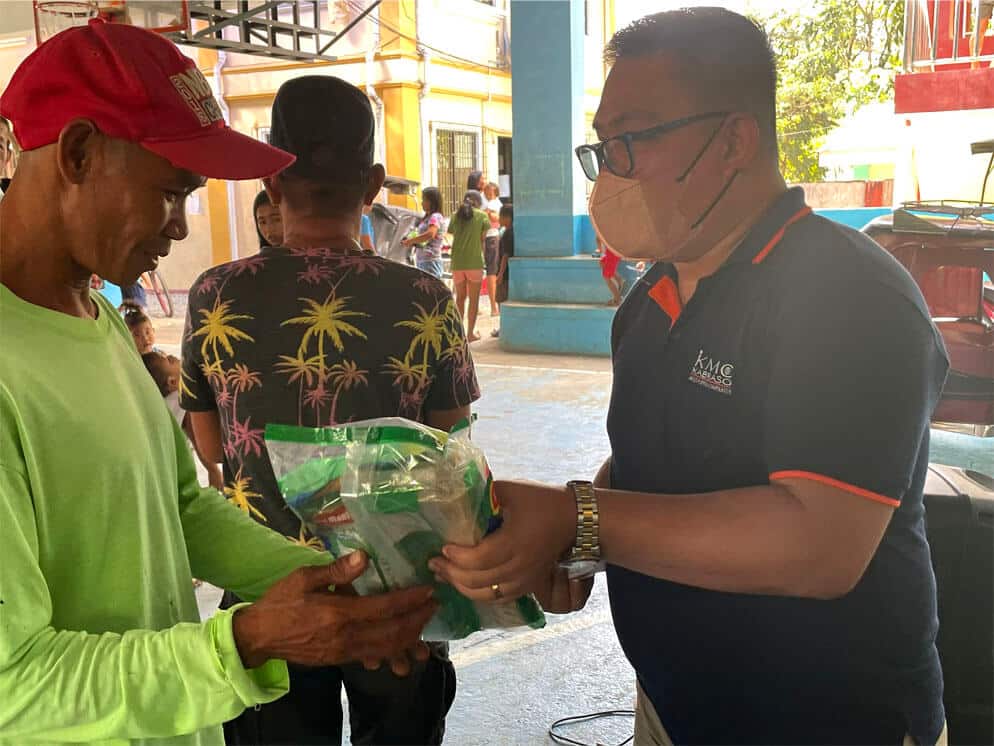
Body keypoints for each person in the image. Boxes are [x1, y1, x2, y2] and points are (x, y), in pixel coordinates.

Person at [430, 9, 949, 746]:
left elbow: (820, 542)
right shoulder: (649, 301)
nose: (611, 170)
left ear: (733, 139)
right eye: (603, 146)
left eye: (631, 142)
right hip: (673, 705)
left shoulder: (849, 294)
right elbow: (650, 457)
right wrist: (571, 546)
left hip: (828, 717)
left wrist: (582, 518)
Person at [0, 21, 437, 745]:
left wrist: (348, 584)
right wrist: (245, 643)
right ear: (79, 153)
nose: (179, 227)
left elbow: (181, 508)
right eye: (171, 194)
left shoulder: (94, 314)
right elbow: (14, 684)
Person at [181, 76, 480, 746]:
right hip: (395, 595)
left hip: (266, 592)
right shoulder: (423, 298)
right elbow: (451, 454)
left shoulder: (215, 294)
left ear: (271, 176)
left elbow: (208, 441)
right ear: (373, 184)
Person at [142, 349, 225, 490]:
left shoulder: (157, 404)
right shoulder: (180, 399)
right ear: (173, 382)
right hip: (175, 468)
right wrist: (214, 471)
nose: (172, 356)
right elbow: (198, 440)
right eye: (169, 360)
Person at [447, 189, 489, 342]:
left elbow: (451, 232)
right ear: (478, 202)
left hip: (457, 262)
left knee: (460, 299)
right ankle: (470, 333)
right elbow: (482, 239)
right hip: (474, 262)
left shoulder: (454, 216)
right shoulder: (482, 216)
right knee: (474, 299)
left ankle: (458, 334)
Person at [402, 185, 445, 278]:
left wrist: (410, 241)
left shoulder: (435, 217)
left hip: (430, 262)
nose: (422, 203)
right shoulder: (426, 218)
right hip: (423, 261)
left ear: (432, 202)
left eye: (424, 200)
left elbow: (430, 234)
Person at [491, 203, 513, 338]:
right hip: (507, 274)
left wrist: (500, 274)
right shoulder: (509, 232)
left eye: (501, 216)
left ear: (508, 217)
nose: (499, 219)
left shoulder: (508, 234)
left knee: (501, 300)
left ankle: (503, 328)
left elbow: (505, 255)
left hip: (505, 275)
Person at [482, 181, 503, 316]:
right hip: (487, 238)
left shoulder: (495, 204)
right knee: (490, 271)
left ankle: (494, 307)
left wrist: (488, 213)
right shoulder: (487, 204)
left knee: (491, 271)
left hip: (491, 238)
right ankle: (494, 307)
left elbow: (497, 218)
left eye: (490, 191)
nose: (488, 193)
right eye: (486, 191)